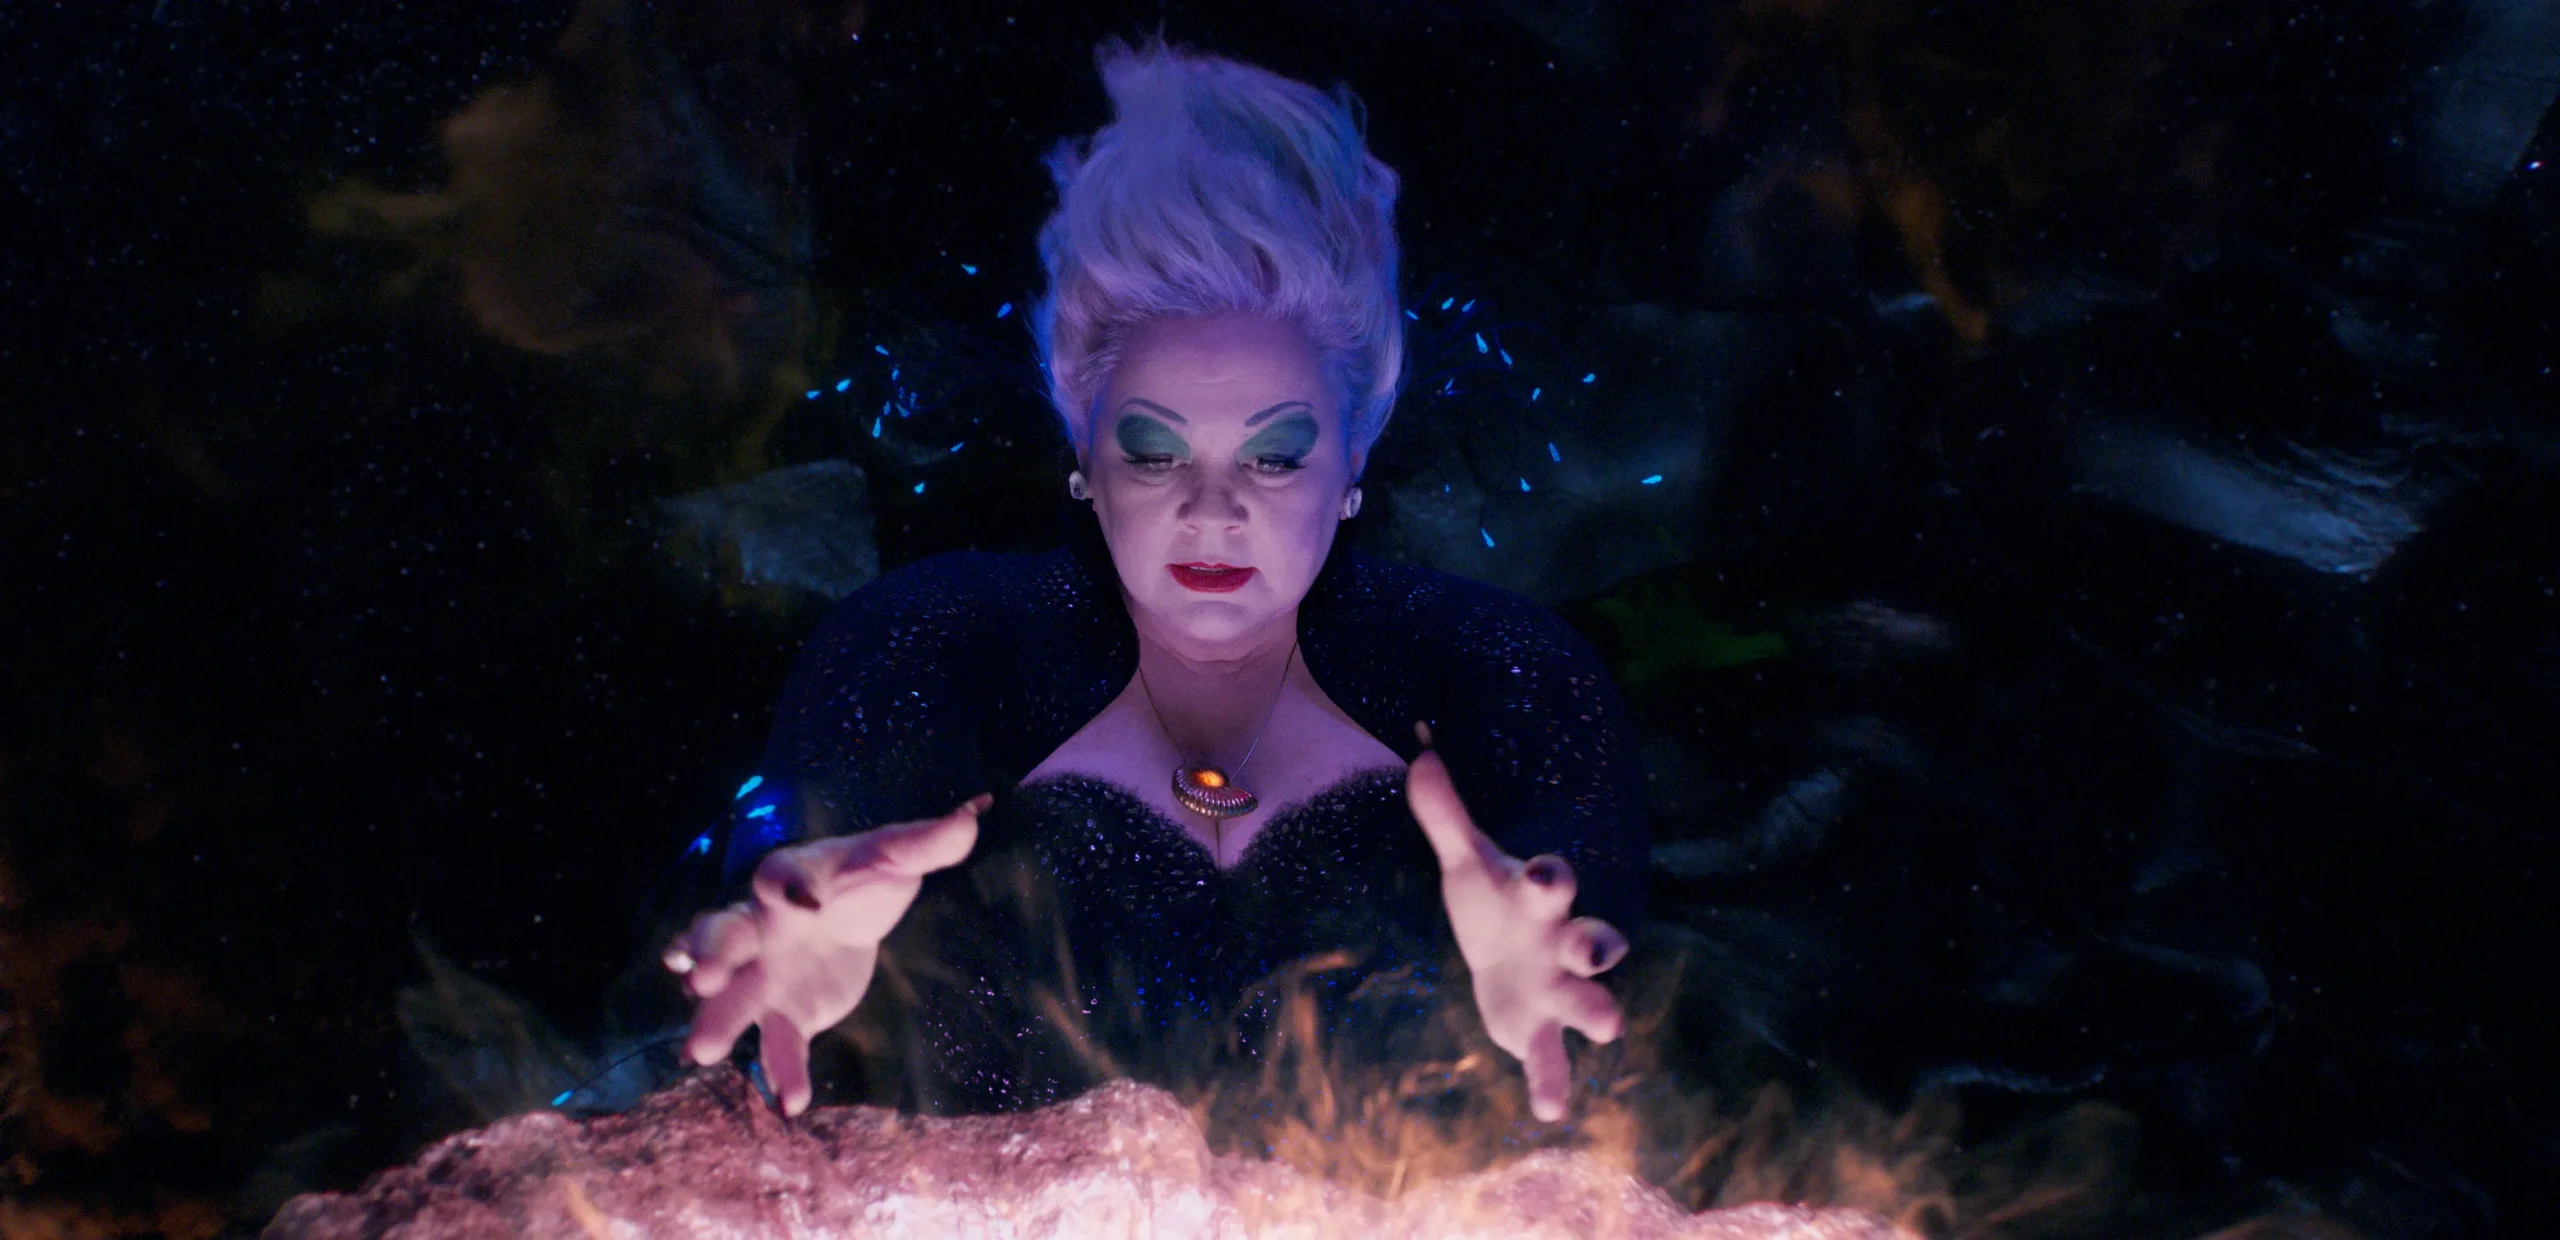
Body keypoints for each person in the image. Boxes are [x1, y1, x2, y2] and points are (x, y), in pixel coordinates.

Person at [660, 39, 1646, 1126]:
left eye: (1275, 457)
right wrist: (786, 912)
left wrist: (1556, 958)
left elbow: (1591, 908)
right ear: (1086, 455)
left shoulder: (1500, 668)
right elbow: (799, 837)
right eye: (1154, 452)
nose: (1212, 512)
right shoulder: (930, 640)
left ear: (1353, 461)